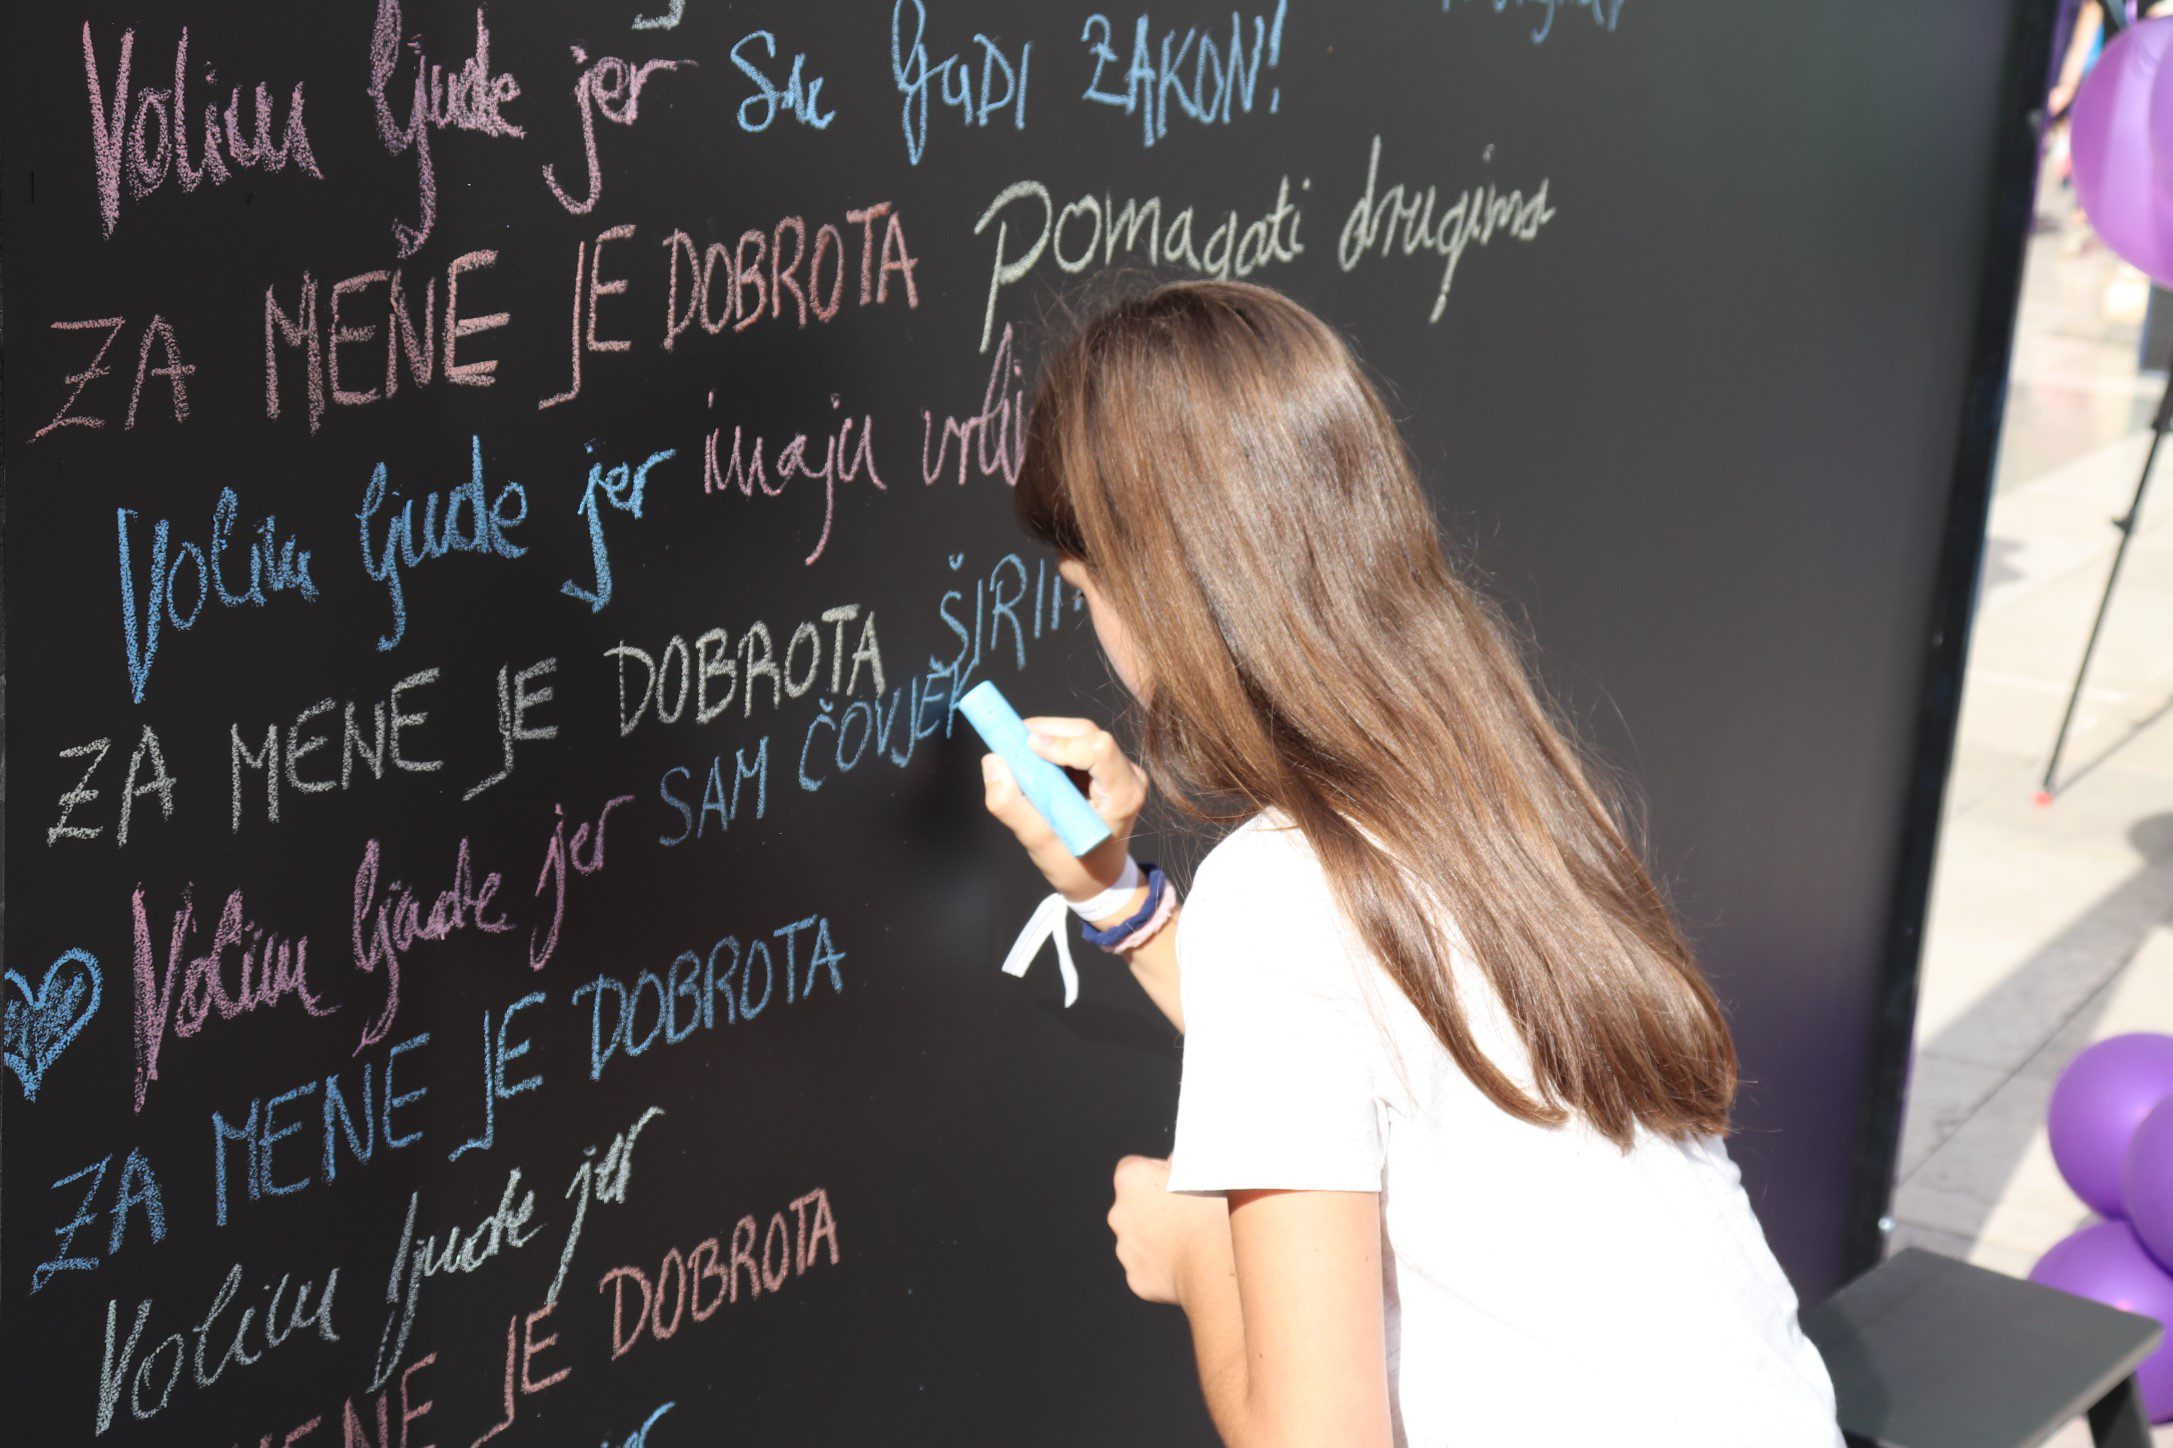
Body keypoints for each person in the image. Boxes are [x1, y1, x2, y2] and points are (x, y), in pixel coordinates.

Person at [975, 279, 1844, 1446]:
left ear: (1156, 585)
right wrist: (1117, 897)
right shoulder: (1502, 783)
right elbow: (1369, 1035)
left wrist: (1195, 1257)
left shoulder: (1275, 892)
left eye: (1086, 588)